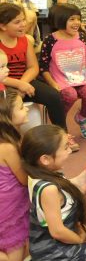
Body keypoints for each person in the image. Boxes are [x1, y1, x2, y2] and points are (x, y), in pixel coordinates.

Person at [21, 124, 86, 260]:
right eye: (65, 148)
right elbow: (58, 232)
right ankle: (82, 181)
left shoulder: (42, 173)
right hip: (52, 250)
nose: (70, 151)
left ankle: (80, 182)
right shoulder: (48, 189)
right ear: (45, 159)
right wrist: (81, 239)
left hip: (67, 232)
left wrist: (85, 229)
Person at [0, 4, 73, 149]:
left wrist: (23, 83)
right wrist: (19, 85)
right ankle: (9, 142)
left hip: (26, 81)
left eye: (23, 20)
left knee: (53, 95)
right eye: (17, 22)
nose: (23, 25)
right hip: (4, 83)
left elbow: (33, 67)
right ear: (2, 26)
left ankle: (63, 136)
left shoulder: (25, 40)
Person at [39, 4, 86, 139]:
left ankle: (82, 117)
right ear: (60, 20)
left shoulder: (83, 38)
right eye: (72, 19)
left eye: (78, 19)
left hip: (81, 78)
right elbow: (43, 67)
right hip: (60, 81)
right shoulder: (50, 40)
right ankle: (59, 123)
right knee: (70, 95)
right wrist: (52, 83)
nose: (77, 23)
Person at [0, 88, 30, 261]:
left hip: (12, 202)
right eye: (20, 107)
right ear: (7, 117)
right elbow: (25, 180)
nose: (26, 109)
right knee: (14, 253)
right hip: (8, 208)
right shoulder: (8, 147)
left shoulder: (12, 138)